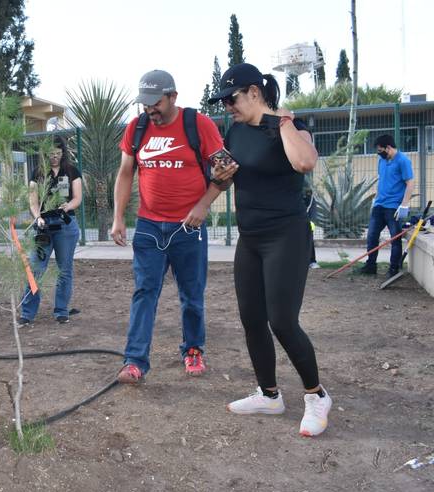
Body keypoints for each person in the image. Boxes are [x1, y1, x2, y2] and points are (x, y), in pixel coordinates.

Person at [208, 62, 331, 437]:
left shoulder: (291, 126)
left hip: (286, 236)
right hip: (251, 238)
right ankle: (269, 393)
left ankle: (316, 395)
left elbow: (305, 162)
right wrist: (217, 177)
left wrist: (283, 123)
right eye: (223, 100)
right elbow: (225, 172)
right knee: (251, 318)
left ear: (254, 92)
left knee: (282, 320)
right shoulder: (236, 130)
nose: (227, 105)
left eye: (232, 98)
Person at [111, 70, 229, 383]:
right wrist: (118, 217)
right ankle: (134, 362)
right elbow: (125, 173)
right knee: (144, 292)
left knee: (192, 294)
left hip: (188, 229)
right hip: (149, 226)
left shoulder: (198, 125)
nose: (150, 109)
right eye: (145, 103)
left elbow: (226, 170)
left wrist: (202, 206)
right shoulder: (136, 129)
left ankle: (193, 349)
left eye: (156, 102)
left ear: (173, 96)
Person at [19, 136, 82, 325]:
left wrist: (68, 206)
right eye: (50, 154)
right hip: (43, 227)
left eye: (57, 153)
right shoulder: (37, 173)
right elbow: (33, 201)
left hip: (66, 225)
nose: (54, 157)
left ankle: (61, 311)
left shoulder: (71, 171)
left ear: (62, 153)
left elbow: (77, 197)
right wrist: (37, 217)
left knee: (65, 270)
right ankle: (27, 312)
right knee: (35, 269)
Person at [356, 134, 414, 279]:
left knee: (395, 238)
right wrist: (376, 200)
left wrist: (404, 205)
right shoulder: (381, 161)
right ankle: (371, 266)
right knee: (372, 236)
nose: (378, 152)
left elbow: (410, 183)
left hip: (393, 207)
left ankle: (394, 268)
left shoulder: (403, 161)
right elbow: (383, 180)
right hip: (379, 205)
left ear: (388, 148)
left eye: (380, 150)